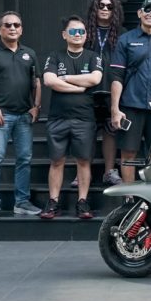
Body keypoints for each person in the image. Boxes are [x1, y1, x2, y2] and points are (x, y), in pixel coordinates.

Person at [0, 11, 42, 219]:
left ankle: (21, 203)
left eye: (16, 25)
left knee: (24, 160)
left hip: (24, 117)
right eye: (8, 25)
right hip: (1, 116)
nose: (12, 28)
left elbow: (37, 82)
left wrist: (36, 106)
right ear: (0, 30)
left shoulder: (29, 53)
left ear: (21, 29)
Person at [40, 15, 103, 220]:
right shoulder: (55, 56)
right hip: (57, 117)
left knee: (83, 161)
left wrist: (65, 78)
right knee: (56, 161)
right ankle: (53, 202)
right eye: (73, 31)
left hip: (84, 118)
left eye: (81, 31)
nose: (78, 35)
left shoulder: (93, 56)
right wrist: (78, 88)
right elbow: (49, 81)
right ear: (64, 35)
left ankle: (82, 202)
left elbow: (95, 78)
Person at [110, 0, 151, 184]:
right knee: (128, 152)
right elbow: (116, 76)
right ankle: (129, 195)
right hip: (130, 104)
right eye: (147, 10)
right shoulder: (126, 39)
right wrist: (115, 109)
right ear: (139, 13)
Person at [86, 0, 126, 186]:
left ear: (115, 10)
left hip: (112, 87)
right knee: (86, 132)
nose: (104, 9)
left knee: (111, 130)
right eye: (101, 5)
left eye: (109, 7)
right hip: (88, 89)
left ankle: (109, 171)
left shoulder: (122, 33)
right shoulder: (84, 31)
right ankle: (83, 172)